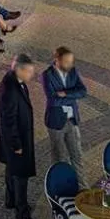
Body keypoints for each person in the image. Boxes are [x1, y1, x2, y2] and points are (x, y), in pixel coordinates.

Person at [0, 54, 38, 219]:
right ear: (19, 70)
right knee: (21, 175)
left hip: (16, 139)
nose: (31, 75)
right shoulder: (11, 89)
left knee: (11, 168)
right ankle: (22, 212)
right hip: (17, 141)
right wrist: (17, 145)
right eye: (29, 71)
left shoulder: (14, 82)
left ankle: (10, 199)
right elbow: (9, 120)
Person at [41, 47, 86, 178]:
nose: (70, 64)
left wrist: (65, 94)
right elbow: (53, 100)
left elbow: (83, 91)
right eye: (66, 61)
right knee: (59, 158)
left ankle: (82, 187)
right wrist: (73, 97)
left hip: (72, 120)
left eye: (71, 61)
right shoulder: (47, 75)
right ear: (57, 60)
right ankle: (61, 187)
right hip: (56, 122)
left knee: (77, 156)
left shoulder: (73, 71)